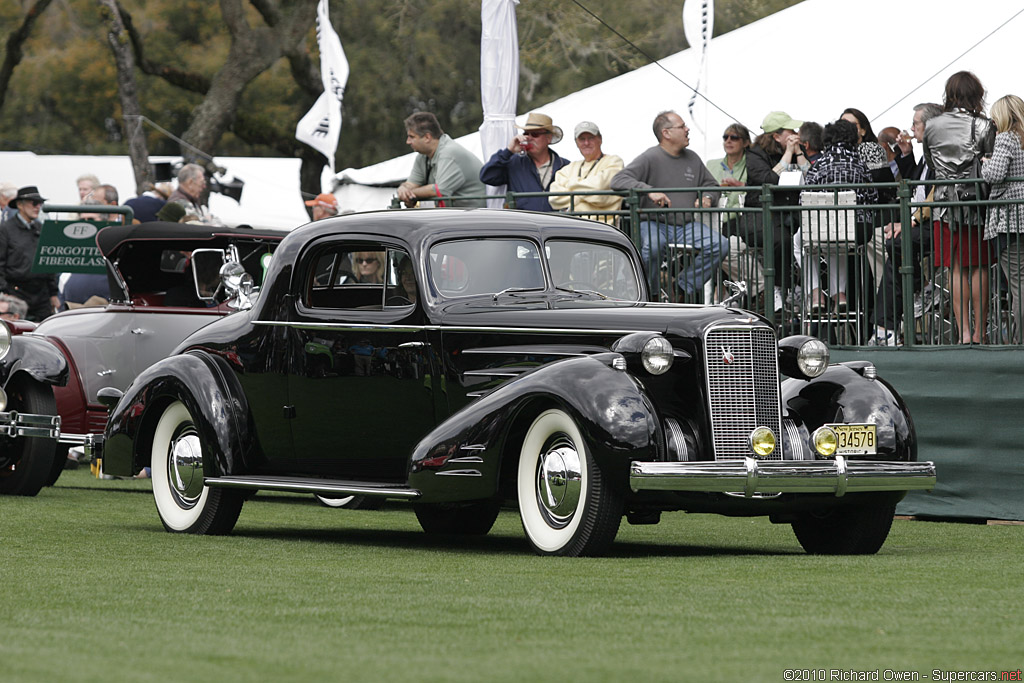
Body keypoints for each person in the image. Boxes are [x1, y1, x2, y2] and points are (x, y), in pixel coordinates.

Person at [611, 110, 726, 300]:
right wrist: (648, 190)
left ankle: (682, 288)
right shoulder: (650, 157)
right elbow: (618, 180)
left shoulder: (693, 158)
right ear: (666, 133)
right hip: (654, 223)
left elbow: (712, 185)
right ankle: (651, 294)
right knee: (654, 247)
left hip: (686, 225)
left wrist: (708, 197)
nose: (687, 129)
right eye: (682, 126)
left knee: (719, 244)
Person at [924, 71, 995, 344]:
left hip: (943, 204)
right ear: (976, 94)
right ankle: (980, 332)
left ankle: (963, 332)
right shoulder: (984, 125)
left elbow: (930, 162)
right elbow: (988, 162)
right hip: (974, 203)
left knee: (955, 269)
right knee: (979, 266)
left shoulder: (932, 125)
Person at [869, 103, 942, 346]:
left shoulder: (941, 154)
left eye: (915, 123)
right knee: (896, 253)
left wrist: (909, 221)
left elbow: (933, 196)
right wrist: (906, 153)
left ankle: (886, 328)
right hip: (922, 221)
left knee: (898, 245)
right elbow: (918, 186)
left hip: (939, 223)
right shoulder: (927, 156)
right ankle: (888, 326)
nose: (910, 128)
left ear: (929, 126)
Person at [798, 119, 878, 312]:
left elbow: (804, 199)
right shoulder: (861, 164)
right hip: (859, 230)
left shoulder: (819, 165)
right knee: (840, 240)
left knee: (803, 241)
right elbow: (873, 198)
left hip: (823, 229)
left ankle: (816, 293)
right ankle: (840, 294)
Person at [745, 111, 806, 311]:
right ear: (776, 136)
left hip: (791, 214)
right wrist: (788, 154)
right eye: (790, 131)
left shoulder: (796, 150)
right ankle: (778, 289)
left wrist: (797, 152)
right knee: (781, 239)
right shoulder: (755, 154)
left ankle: (803, 287)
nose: (795, 133)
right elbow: (769, 179)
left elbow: (811, 175)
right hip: (762, 215)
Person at [705, 122, 769, 307]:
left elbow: (759, 189)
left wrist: (740, 186)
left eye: (734, 137)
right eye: (725, 137)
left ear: (746, 142)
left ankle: (757, 290)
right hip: (713, 221)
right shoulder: (711, 165)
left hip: (740, 220)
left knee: (724, 249)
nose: (729, 141)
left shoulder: (751, 165)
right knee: (713, 248)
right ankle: (756, 290)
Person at [982, 94, 1024, 343]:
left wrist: (985, 164)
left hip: (1010, 219)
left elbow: (996, 174)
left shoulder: (1006, 138)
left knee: (1018, 283)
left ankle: (1020, 342)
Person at [480, 112, 569, 212]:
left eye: (535, 134)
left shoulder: (565, 166)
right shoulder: (514, 162)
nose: (529, 138)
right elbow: (487, 176)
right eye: (526, 134)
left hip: (554, 224)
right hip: (524, 225)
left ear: (548, 138)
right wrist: (509, 151)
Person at [398, 112, 486, 208]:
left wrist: (409, 193)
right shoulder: (423, 156)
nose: (408, 142)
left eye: (411, 137)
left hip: (475, 217)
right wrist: (402, 189)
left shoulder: (449, 153)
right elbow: (411, 184)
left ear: (427, 137)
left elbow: (440, 190)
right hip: (455, 216)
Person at [0, 186, 60, 321]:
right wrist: (6, 294)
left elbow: (49, 262)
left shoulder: (41, 228)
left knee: (43, 332)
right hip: (16, 293)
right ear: (20, 205)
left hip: (42, 295)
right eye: (34, 203)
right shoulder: (5, 230)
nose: (38, 207)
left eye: (40, 203)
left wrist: (53, 294)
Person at [548, 121, 624, 223]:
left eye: (591, 138)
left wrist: (570, 188)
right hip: (573, 227)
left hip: (603, 228)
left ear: (600, 139)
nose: (586, 143)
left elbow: (599, 190)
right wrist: (586, 195)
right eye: (582, 139)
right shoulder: (569, 167)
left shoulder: (614, 161)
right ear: (576, 143)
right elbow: (554, 199)